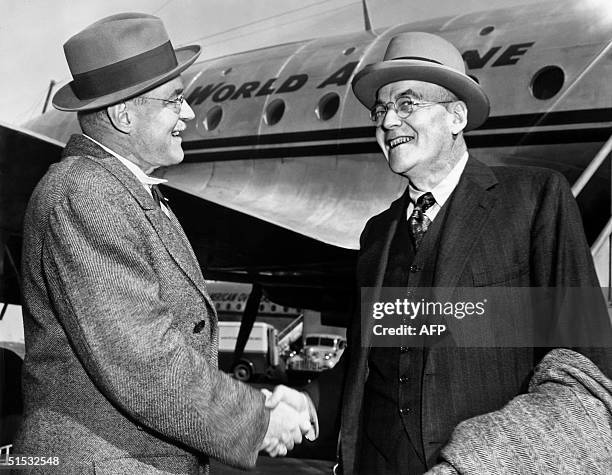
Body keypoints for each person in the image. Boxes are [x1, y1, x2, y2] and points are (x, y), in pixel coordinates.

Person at [269, 31, 612, 473]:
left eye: (407, 104)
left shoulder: (535, 201)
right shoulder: (378, 235)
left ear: (456, 117)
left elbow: (584, 367)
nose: (388, 121)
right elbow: (368, 365)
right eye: (381, 110)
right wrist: (307, 399)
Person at [15, 13, 315, 473]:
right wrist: (256, 418)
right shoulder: (86, 194)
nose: (189, 113)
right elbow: (143, 359)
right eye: (175, 100)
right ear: (123, 114)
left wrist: (260, 402)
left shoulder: (127, 192)